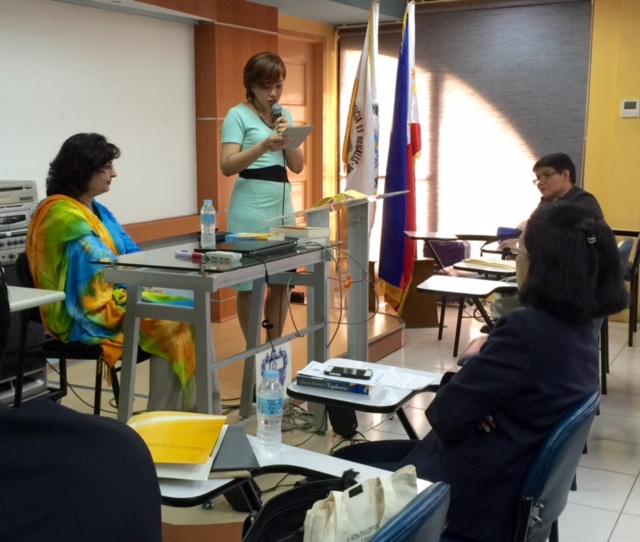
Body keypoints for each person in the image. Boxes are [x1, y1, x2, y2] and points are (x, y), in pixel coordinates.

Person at [333, 201, 629, 542]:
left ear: (543, 266)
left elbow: (446, 415)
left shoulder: (527, 331)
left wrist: (472, 388)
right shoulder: (582, 328)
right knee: (358, 455)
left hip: (465, 499)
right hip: (507, 486)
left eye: (519, 252)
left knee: (334, 472)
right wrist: (480, 399)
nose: (517, 260)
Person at [26, 133, 196, 411]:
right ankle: (163, 418)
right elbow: (98, 274)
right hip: (81, 313)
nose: (114, 174)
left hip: (112, 295)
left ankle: (196, 412)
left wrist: (146, 281)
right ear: (83, 169)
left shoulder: (97, 210)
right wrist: (142, 287)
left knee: (189, 310)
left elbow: (132, 252)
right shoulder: (62, 215)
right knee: (176, 322)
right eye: (106, 167)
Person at [0, 271, 163, 542]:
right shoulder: (119, 451)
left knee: (175, 321)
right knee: (169, 324)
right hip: (82, 312)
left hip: (108, 299)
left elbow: (122, 259)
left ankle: (170, 414)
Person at [220, 52, 304, 344]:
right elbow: (227, 165)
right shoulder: (237, 115)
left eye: (278, 86)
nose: (273, 93)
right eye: (266, 87)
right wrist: (263, 146)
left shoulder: (284, 115)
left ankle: (274, 347)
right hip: (250, 207)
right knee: (249, 283)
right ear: (251, 85)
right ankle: (253, 349)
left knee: (283, 280)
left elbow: (297, 166)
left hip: (282, 205)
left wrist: (288, 137)